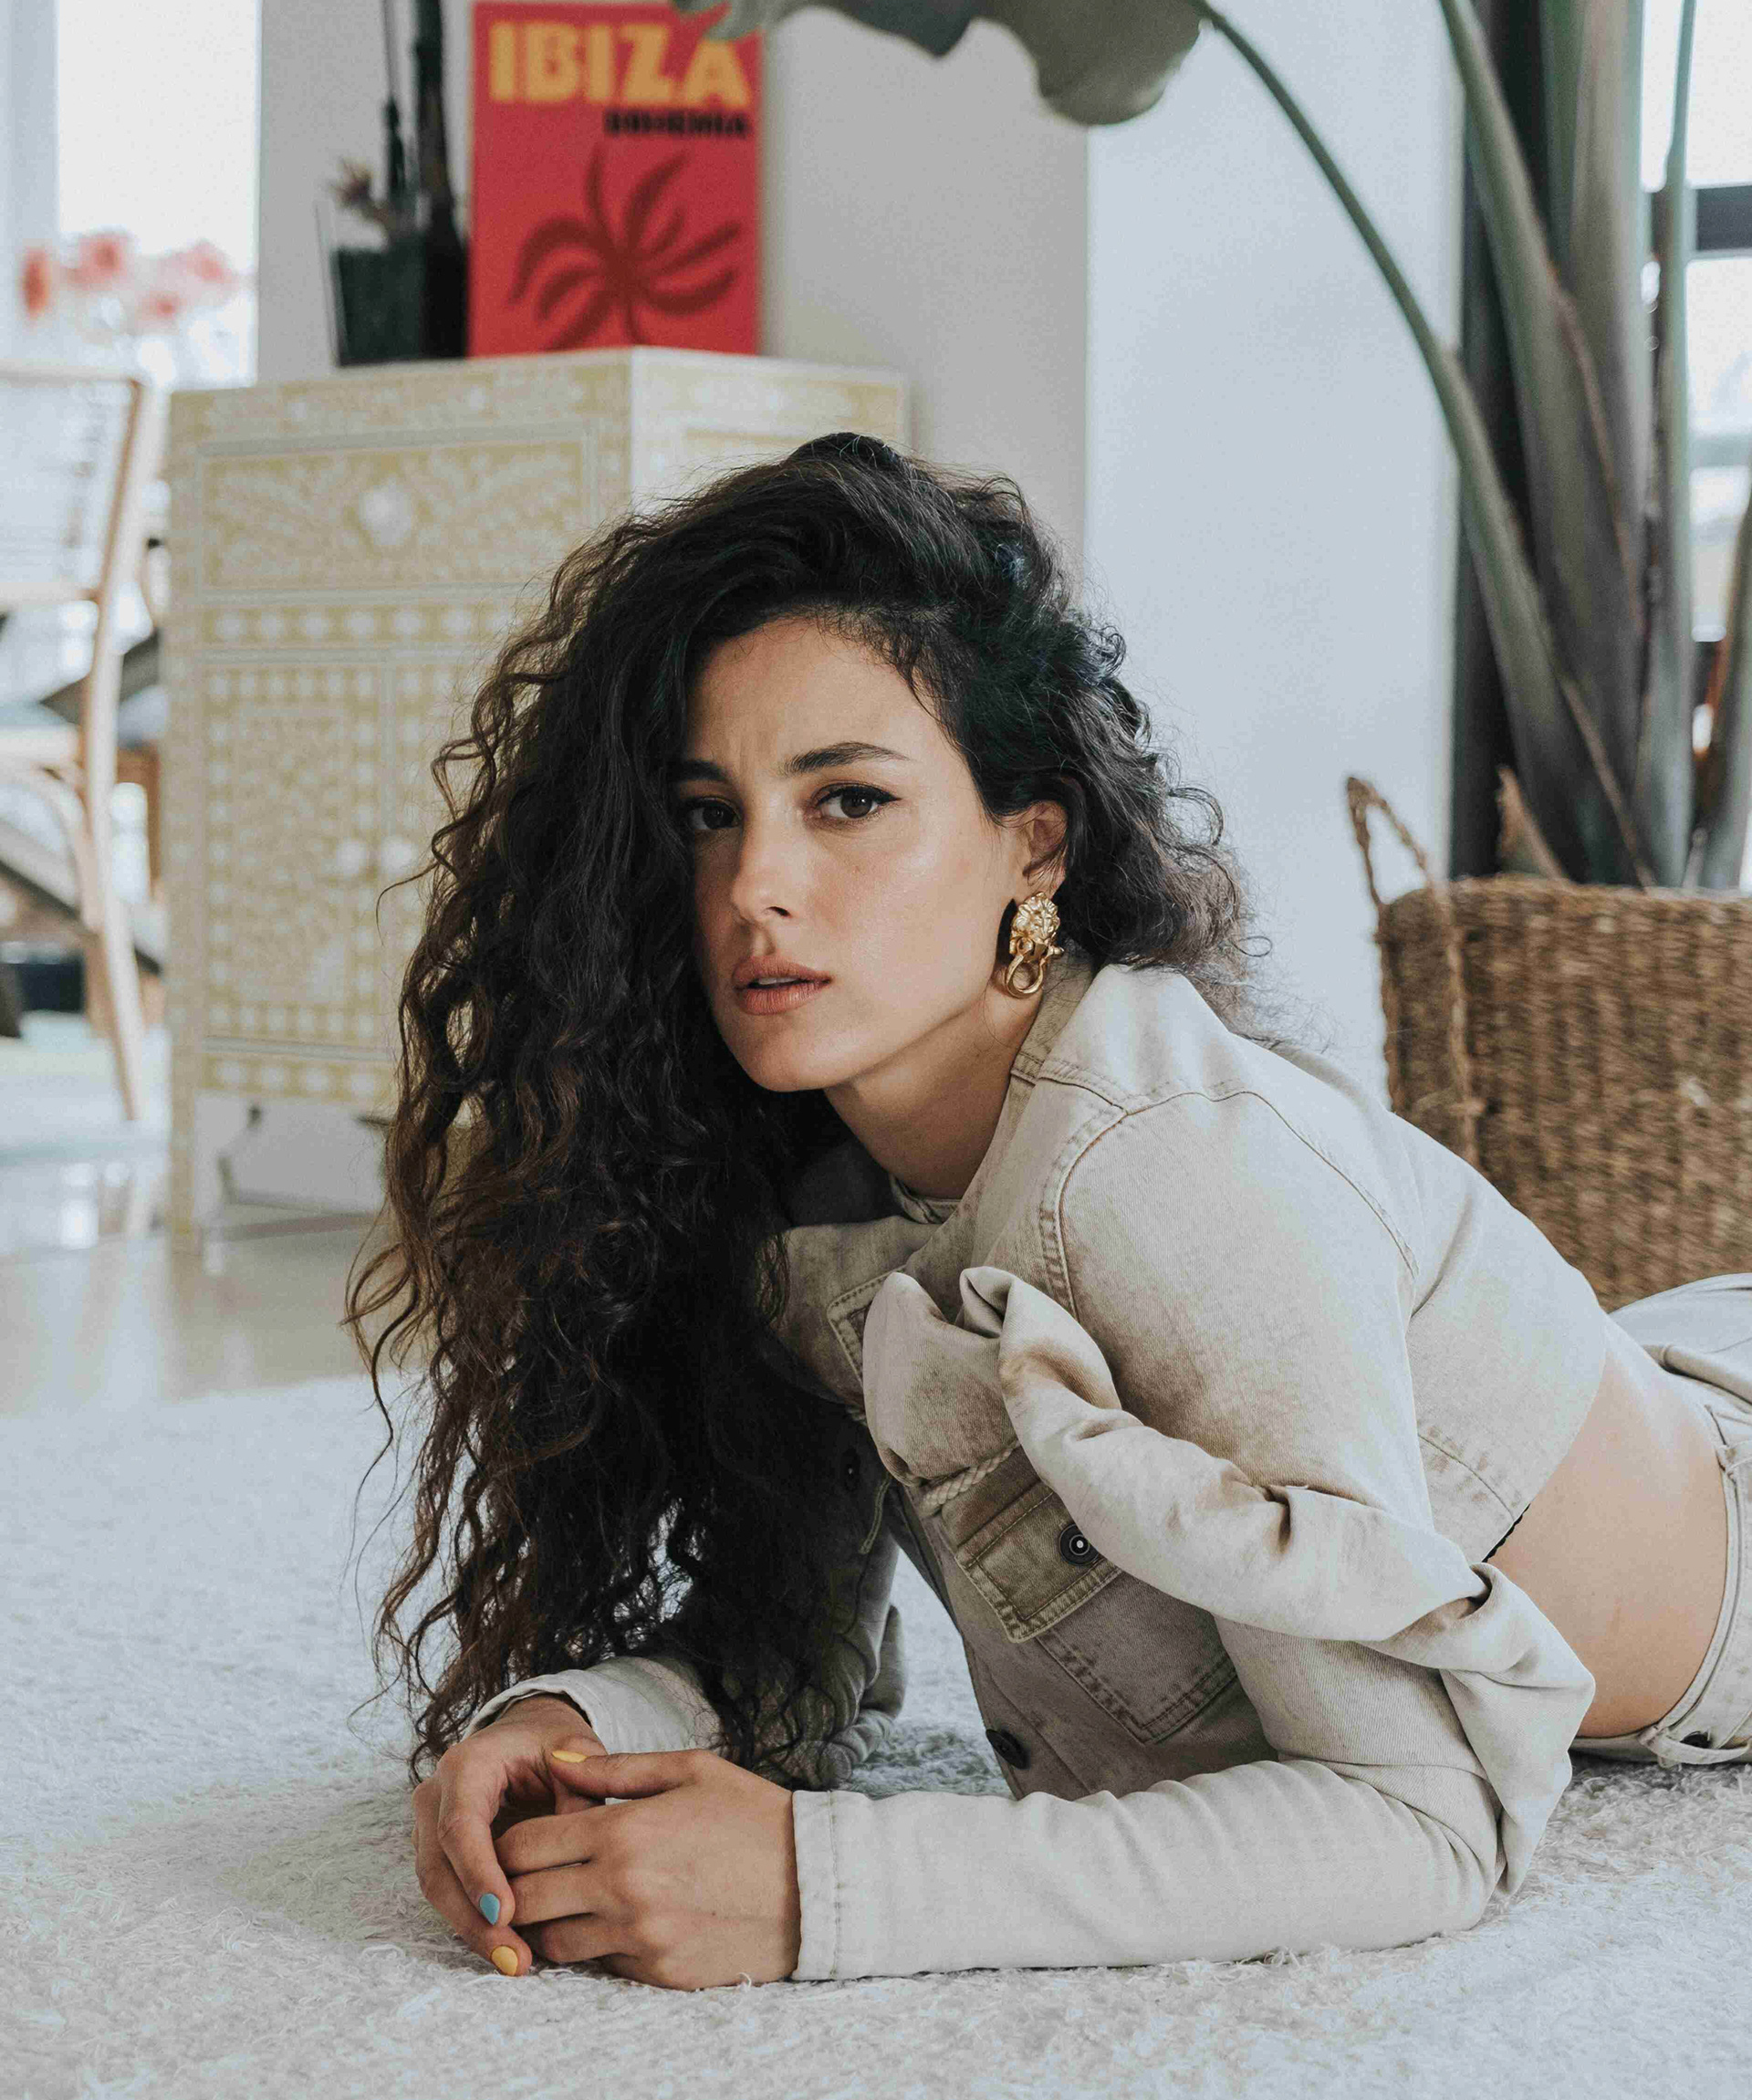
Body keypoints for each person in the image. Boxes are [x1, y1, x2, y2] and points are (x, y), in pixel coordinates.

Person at [348, 433, 1752, 1992]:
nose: (754, 889)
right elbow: (800, 1640)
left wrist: (821, 1886)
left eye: (849, 800)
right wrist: (577, 1730)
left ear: (1034, 843)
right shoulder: (811, 1185)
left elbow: (1426, 1824)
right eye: (706, 814)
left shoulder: (1160, 1178)